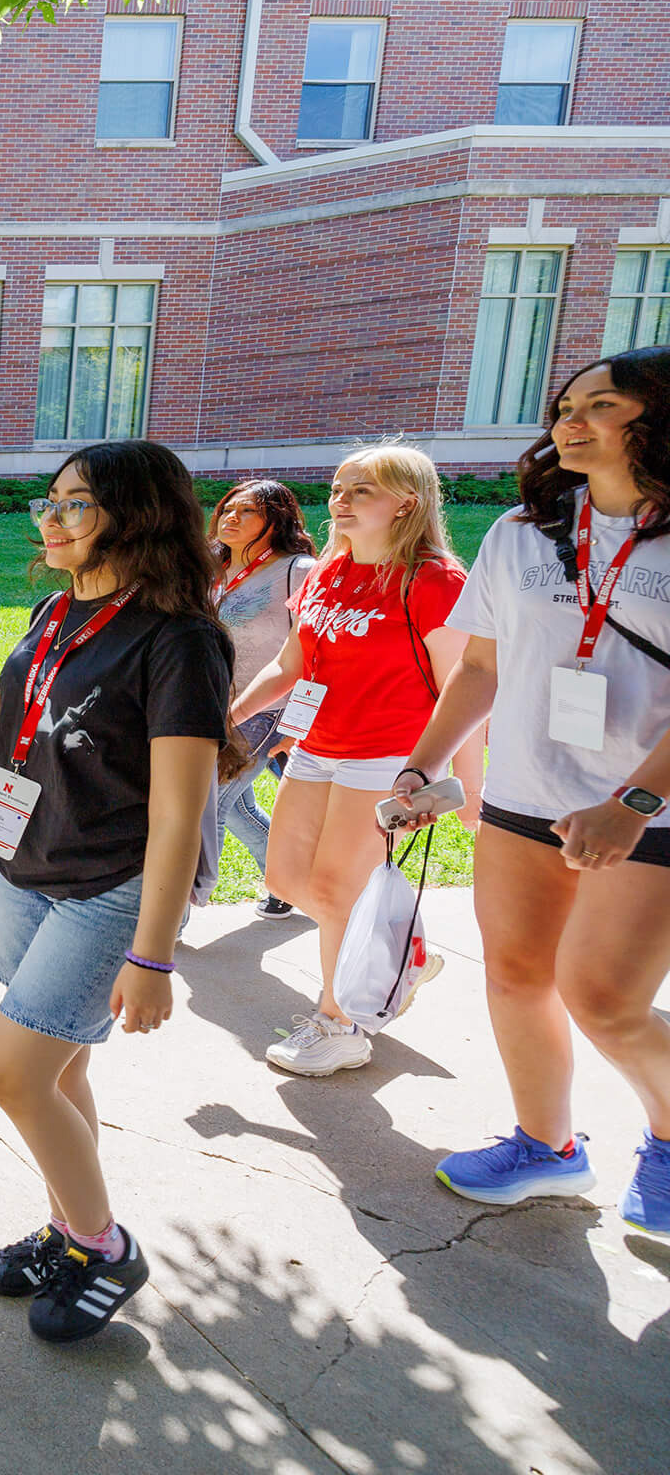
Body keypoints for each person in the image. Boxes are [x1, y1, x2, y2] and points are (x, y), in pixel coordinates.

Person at [387, 348, 670, 1234]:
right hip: (523, 794)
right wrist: (422, 764)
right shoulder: (524, 533)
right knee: (515, 977)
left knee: (604, 998)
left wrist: (631, 804)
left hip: (647, 809)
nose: (570, 422)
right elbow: (479, 665)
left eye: (602, 405)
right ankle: (548, 1147)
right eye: (564, 406)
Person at [0, 440, 229, 1344]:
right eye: (52, 500)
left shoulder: (179, 638)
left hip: (109, 888)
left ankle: (104, 1246)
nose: (54, 517)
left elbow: (182, 812)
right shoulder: (58, 605)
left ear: (137, 515)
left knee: (11, 1074)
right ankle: (70, 1235)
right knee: (62, 1067)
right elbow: (64, 712)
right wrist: (7, 727)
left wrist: (152, 954)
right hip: (30, 864)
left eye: (78, 504)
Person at [228, 445, 471, 1077]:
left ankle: (341, 1023)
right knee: (284, 879)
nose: (341, 500)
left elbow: (464, 689)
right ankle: (400, 955)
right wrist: (227, 716)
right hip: (316, 748)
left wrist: (465, 786)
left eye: (362, 491)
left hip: (391, 757)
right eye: (338, 488)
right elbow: (292, 666)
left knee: (336, 890)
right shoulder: (326, 572)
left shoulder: (435, 580)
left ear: (407, 503)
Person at [207, 481, 318, 917]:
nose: (230, 518)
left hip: (267, 710)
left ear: (276, 519)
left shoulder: (299, 570)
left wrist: (299, 721)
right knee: (234, 807)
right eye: (226, 509)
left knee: (208, 803)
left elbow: (316, 654)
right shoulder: (213, 568)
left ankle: (172, 916)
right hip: (210, 706)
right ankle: (287, 883)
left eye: (247, 511)